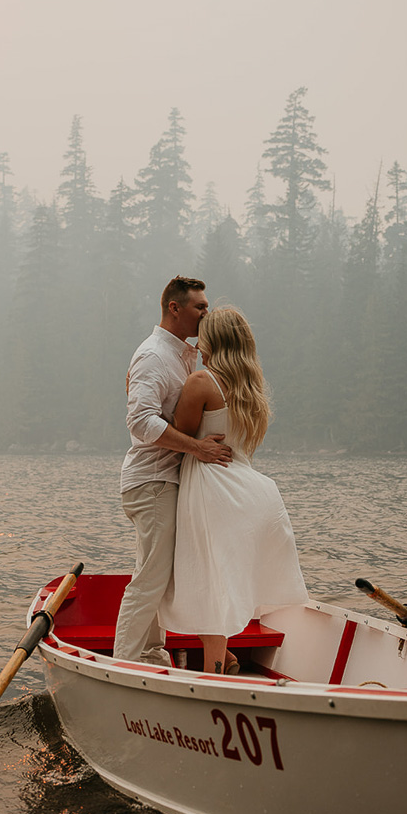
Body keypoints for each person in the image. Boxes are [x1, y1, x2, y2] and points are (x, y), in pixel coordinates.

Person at [159, 306, 308, 674]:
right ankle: (224, 658)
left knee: (208, 587)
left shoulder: (201, 383)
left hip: (211, 487)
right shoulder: (251, 389)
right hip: (250, 492)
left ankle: (214, 675)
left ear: (213, 340)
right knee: (218, 582)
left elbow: (177, 434)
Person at [114, 276, 233, 665]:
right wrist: (197, 447)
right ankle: (127, 663)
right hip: (151, 480)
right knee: (151, 578)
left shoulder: (182, 355)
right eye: (200, 307)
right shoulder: (153, 355)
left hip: (166, 480)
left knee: (156, 575)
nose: (206, 313)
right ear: (174, 308)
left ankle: (150, 654)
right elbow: (141, 422)